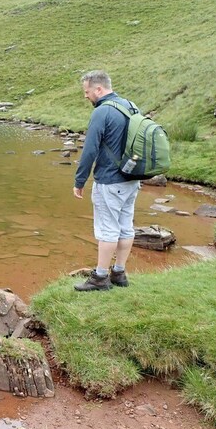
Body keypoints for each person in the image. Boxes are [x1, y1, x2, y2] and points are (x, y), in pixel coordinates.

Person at [73, 70, 140, 291]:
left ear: (99, 89)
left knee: (107, 229)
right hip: (132, 179)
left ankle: (100, 278)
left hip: (110, 181)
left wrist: (80, 180)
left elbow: (90, 149)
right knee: (125, 227)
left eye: (87, 91)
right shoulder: (130, 106)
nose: (86, 96)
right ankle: (119, 273)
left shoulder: (102, 112)